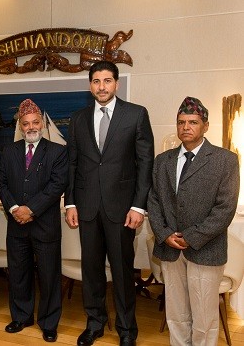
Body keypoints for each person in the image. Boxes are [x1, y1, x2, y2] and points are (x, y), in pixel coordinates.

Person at [65, 61, 154, 346]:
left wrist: (139, 206)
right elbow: (73, 164)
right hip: (87, 208)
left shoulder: (136, 115)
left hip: (122, 209)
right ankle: (95, 323)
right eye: (95, 81)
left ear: (116, 83)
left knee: (122, 271)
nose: (101, 86)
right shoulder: (78, 118)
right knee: (91, 270)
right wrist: (70, 203)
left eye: (106, 81)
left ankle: (127, 330)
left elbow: (145, 163)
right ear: (90, 85)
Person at [148, 97, 239, 346]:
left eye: (193, 122)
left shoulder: (225, 160)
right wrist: (165, 233)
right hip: (170, 249)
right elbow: (153, 201)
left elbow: (225, 209)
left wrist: (191, 237)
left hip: (205, 250)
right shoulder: (162, 161)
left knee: (204, 317)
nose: (186, 127)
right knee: (176, 313)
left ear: (205, 126)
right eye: (181, 122)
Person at [0, 99, 68, 342]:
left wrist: (31, 209)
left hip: (45, 225)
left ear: (42, 123)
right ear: (20, 125)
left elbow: (57, 185)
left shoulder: (58, 151)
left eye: (35, 122)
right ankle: (21, 316)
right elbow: (2, 183)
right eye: (25, 123)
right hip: (16, 224)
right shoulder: (8, 151)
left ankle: (49, 323)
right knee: (18, 274)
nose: (30, 127)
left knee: (49, 277)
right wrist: (16, 208)